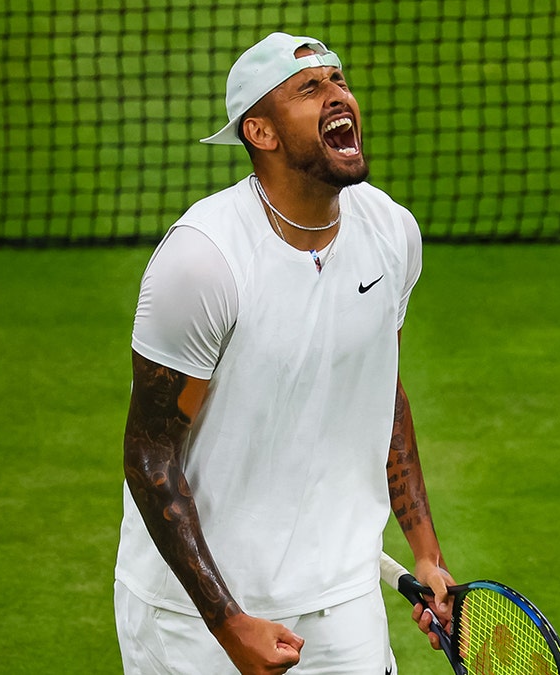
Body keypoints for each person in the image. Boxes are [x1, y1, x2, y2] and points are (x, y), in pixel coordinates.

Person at [114, 32, 453, 674]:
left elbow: (382, 390)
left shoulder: (390, 233)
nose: (338, 95)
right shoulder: (204, 262)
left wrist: (426, 551)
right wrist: (228, 622)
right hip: (199, 615)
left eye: (338, 80)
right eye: (310, 88)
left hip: (341, 600)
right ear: (261, 133)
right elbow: (149, 454)